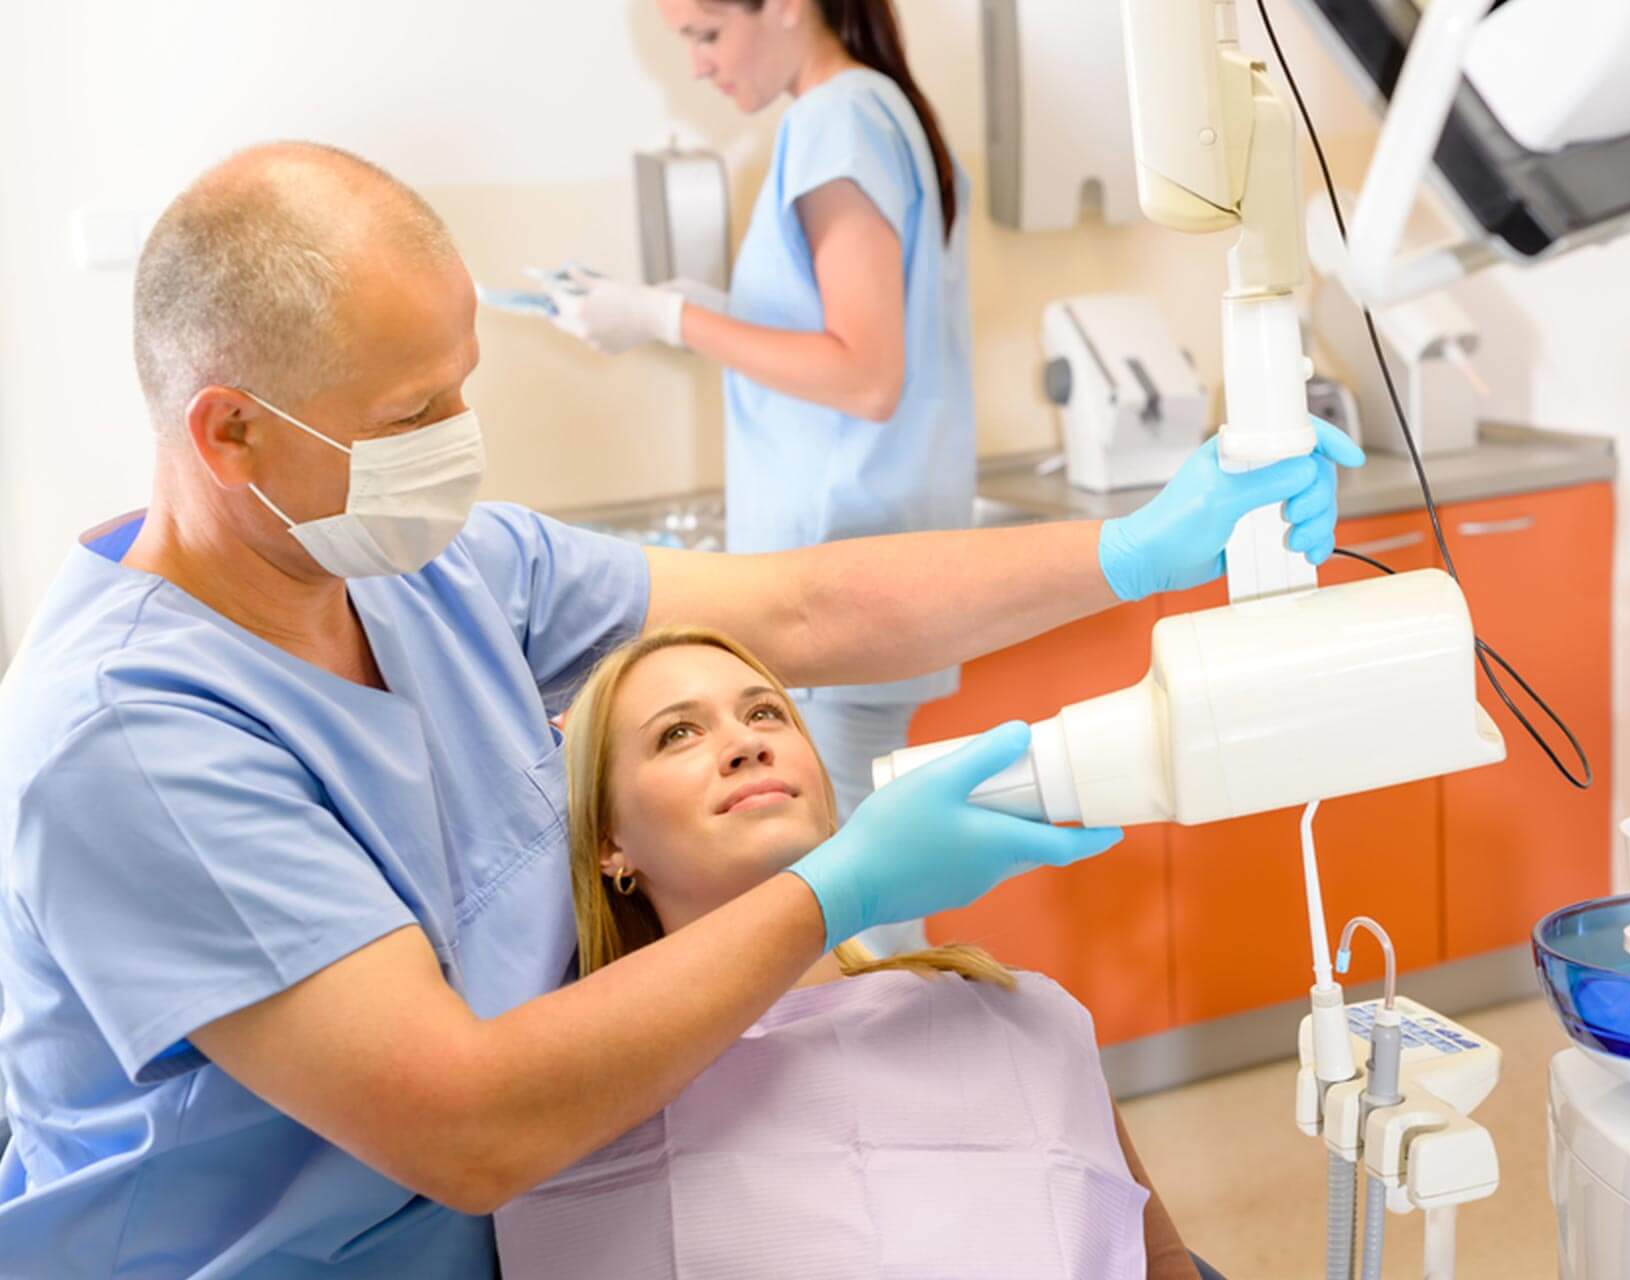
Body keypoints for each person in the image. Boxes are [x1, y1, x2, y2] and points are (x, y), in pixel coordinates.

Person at [0, 141, 1360, 1277]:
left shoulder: (434, 572)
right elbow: (465, 1124)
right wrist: (838, 888)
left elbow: (805, 611)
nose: (459, 438)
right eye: (414, 413)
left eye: (464, 383)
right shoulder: (131, 740)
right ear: (230, 433)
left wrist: (1138, 549)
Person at [493, 626, 1202, 1279]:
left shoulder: (1016, 1015)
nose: (746, 744)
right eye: (678, 733)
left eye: (766, 713)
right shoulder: (560, 1110)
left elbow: (1161, 1263)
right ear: (609, 841)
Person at [547, 0, 975, 954]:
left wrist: (666, 319)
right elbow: (841, 338)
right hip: (864, 563)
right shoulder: (877, 109)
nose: (698, 66)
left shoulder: (836, 120)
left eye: (705, 35)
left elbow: (863, 374)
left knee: (856, 902)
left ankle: (918, 1047)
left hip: (838, 575)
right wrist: (700, 308)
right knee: (867, 883)